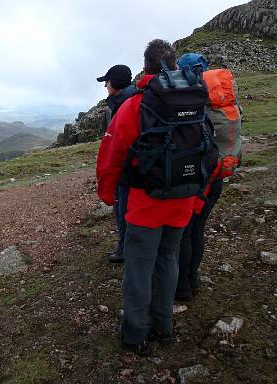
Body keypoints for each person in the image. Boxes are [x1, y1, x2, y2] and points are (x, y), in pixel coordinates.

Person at [96, 40, 203, 356]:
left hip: (146, 203)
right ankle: (163, 327)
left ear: (145, 68)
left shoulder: (137, 106)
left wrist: (107, 193)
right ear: (174, 65)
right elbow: (206, 152)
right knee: (167, 260)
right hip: (183, 199)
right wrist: (196, 198)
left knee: (139, 267)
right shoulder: (195, 100)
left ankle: (134, 334)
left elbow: (111, 154)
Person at [175, 53, 242, 301]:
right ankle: (193, 277)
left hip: (197, 181)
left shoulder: (195, 102)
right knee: (197, 230)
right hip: (216, 179)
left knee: (184, 232)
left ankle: (182, 286)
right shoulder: (224, 101)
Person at [96, 64, 136, 263]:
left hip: (127, 169)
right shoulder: (126, 99)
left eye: (107, 82)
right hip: (131, 167)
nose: (105, 86)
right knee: (124, 207)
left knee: (123, 208)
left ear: (116, 83)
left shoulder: (125, 103)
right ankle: (126, 246)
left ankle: (125, 249)